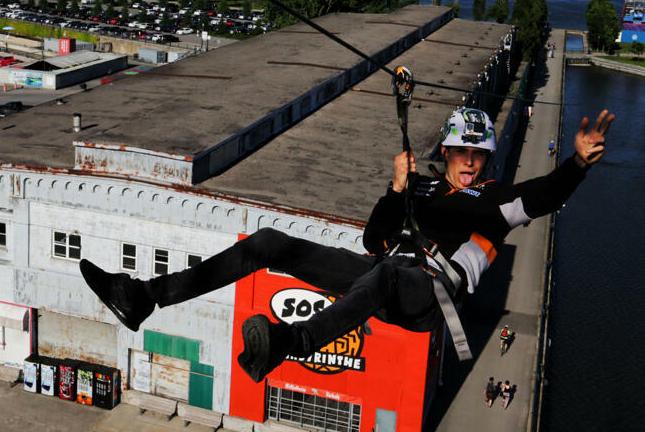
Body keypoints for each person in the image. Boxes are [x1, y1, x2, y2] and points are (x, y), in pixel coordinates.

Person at [80, 108, 615, 383]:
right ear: (446, 151)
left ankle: (289, 345)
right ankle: (145, 296)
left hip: (429, 297)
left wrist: (576, 166)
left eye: (478, 153)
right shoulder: (422, 187)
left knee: (383, 277)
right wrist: (397, 189)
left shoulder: (497, 202)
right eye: (461, 151)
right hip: (380, 272)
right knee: (269, 242)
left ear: (488, 159)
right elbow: (374, 239)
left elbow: (542, 196)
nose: (470, 161)